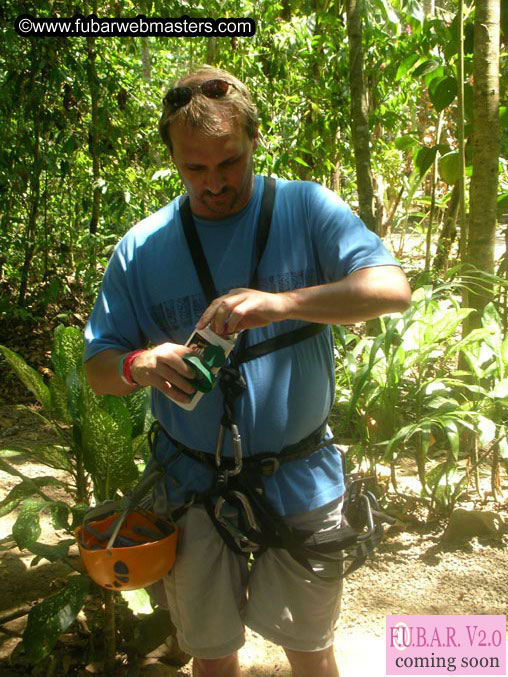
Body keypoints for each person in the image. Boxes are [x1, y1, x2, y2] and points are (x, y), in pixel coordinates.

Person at [84, 65, 411, 677]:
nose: (214, 185)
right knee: (211, 652)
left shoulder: (306, 209)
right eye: (195, 169)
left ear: (254, 142)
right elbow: (98, 367)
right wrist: (141, 363)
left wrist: (280, 304)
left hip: (301, 476)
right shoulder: (142, 247)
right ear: (174, 160)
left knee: (310, 646)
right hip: (191, 485)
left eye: (228, 163)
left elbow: (391, 289)